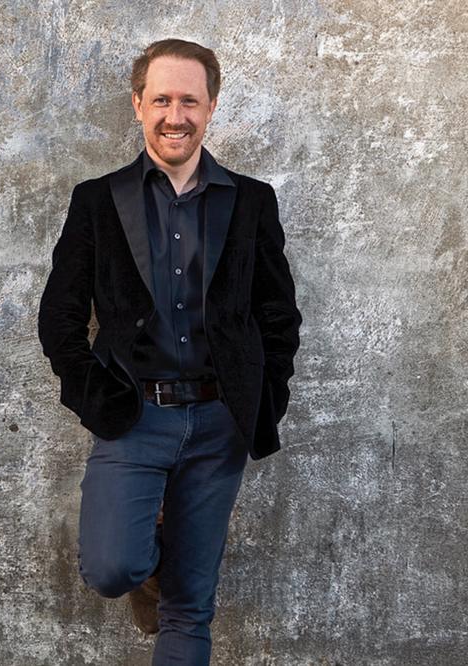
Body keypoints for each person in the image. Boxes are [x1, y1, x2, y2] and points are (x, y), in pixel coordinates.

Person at [36, 38, 302, 664]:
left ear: (211, 108)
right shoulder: (97, 201)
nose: (174, 115)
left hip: (219, 424)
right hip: (134, 418)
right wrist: (93, 397)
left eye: (189, 100)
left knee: (190, 606)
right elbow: (61, 315)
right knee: (111, 567)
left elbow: (277, 314)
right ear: (137, 105)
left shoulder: (252, 201)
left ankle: (175, 573)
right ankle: (152, 550)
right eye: (161, 99)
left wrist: (265, 396)